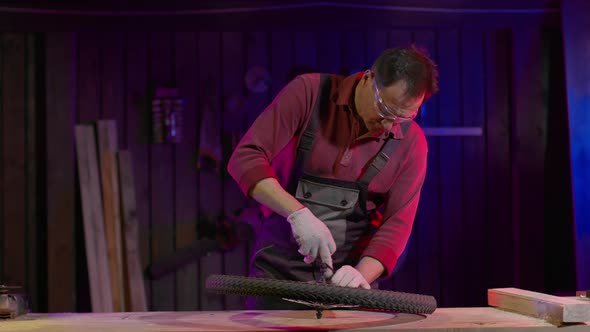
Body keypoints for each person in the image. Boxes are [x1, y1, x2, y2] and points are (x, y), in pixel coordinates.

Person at [227, 46, 439, 309]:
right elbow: (245, 158)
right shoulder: (309, 93)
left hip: (349, 288)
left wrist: (361, 274)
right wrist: (298, 214)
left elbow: (397, 225)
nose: (388, 124)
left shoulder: (411, 142)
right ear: (368, 78)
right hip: (276, 280)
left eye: (403, 116)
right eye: (385, 108)